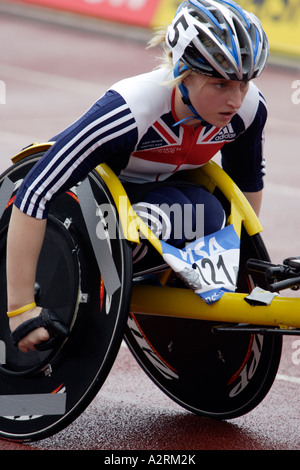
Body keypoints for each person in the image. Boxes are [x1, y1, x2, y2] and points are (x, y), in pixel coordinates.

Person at [6, 0, 269, 353]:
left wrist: (239, 268)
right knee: (173, 216)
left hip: (156, 199)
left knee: (207, 213)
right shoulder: (130, 110)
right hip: (78, 207)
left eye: (245, 83)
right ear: (184, 73)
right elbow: (34, 191)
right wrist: (20, 309)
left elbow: (246, 187)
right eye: (221, 85)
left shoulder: (250, 110)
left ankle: (151, 268)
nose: (236, 100)